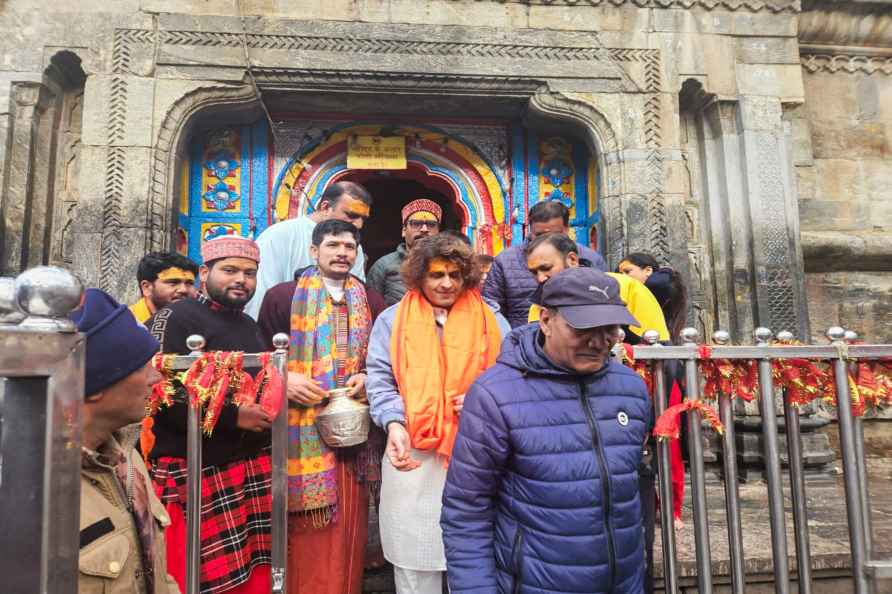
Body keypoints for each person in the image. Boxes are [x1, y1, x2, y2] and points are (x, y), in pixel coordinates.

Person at [441, 267, 652, 593]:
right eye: (583, 328)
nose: (598, 342)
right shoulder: (496, 395)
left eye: (610, 328)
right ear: (545, 320)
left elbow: (629, 497)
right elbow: (467, 510)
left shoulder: (631, 389)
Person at [366, 233, 510, 594]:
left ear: (467, 277)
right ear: (418, 277)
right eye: (436, 275)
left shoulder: (492, 320)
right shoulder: (392, 319)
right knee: (415, 555)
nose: (446, 283)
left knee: (477, 553)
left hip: (477, 448)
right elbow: (380, 379)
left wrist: (484, 398)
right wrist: (394, 422)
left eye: (454, 275)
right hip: (412, 448)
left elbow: (511, 377)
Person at [255, 219, 380, 594]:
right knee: (306, 530)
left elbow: (387, 358)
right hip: (299, 431)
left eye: (349, 247)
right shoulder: (282, 296)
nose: (341, 253)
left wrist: (369, 378)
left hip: (354, 430)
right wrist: (284, 379)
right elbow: (260, 357)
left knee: (350, 524)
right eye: (332, 245)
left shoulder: (371, 299)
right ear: (314, 250)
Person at [147, 235, 273, 594]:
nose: (241, 280)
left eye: (250, 273)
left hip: (246, 465)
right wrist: (234, 417)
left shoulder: (249, 325)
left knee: (250, 572)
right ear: (205, 272)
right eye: (229, 270)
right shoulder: (174, 317)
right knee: (192, 577)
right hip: (195, 465)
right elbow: (159, 393)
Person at [72, 288, 180, 594]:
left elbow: (156, 574)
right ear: (93, 385)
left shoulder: (127, 460)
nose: (156, 378)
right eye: (142, 366)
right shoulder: (30, 491)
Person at [245, 181, 373, 319]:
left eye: (363, 219)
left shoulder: (355, 247)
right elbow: (261, 295)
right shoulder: (279, 235)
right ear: (325, 207)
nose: (359, 224)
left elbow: (355, 296)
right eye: (352, 215)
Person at [483, 200, 607, 328]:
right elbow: (491, 312)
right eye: (540, 235)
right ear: (530, 230)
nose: (548, 240)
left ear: (567, 229)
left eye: (555, 234)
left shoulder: (591, 258)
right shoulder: (506, 261)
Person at [525, 232, 669, 343]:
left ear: (572, 260)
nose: (540, 278)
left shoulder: (627, 287)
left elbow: (657, 347)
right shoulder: (539, 305)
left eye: (546, 268)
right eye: (534, 272)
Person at [367, 199, 442, 307]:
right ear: (404, 230)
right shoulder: (383, 265)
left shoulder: (448, 264)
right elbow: (372, 308)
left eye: (431, 224)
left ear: (438, 232)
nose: (424, 229)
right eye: (416, 224)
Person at [619, 252, 689, 342]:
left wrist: (667, 270)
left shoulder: (658, 284)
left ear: (648, 270)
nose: (623, 277)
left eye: (627, 271)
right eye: (620, 273)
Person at [129, 252, 199, 324]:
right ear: (147, 287)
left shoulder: (197, 323)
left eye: (189, 283)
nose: (184, 290)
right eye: (174, 282)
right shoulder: (126, 323)